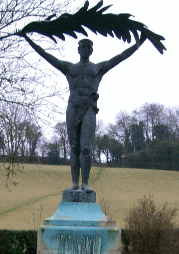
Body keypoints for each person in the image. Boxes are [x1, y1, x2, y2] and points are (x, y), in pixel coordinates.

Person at [23, 34, 145, 191]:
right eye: (83, 47)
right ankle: (74, 183)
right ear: (78, 50)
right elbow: (47, 56)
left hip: (89, 108)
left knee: (86, 147)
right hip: (73, 107)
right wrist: (28, 39)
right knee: (74, 147)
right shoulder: (70, 68)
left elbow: (120, 57)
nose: (86, 50)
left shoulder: (97, 68)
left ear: (92, 51)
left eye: (89, 47)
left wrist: (140, 42)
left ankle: (85, 183)